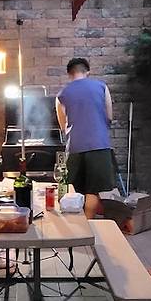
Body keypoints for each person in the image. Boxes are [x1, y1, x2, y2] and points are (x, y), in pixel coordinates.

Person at [55, 57, 115, 219]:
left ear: (69, 74)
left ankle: (76, 225)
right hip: (98, 144)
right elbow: (109, 116)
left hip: (75, 146)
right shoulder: (102, 87)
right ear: (87, 71)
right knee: (93, 190)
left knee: (74, 189)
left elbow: (63, 126)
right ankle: (88, 223)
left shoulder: (61, 95)